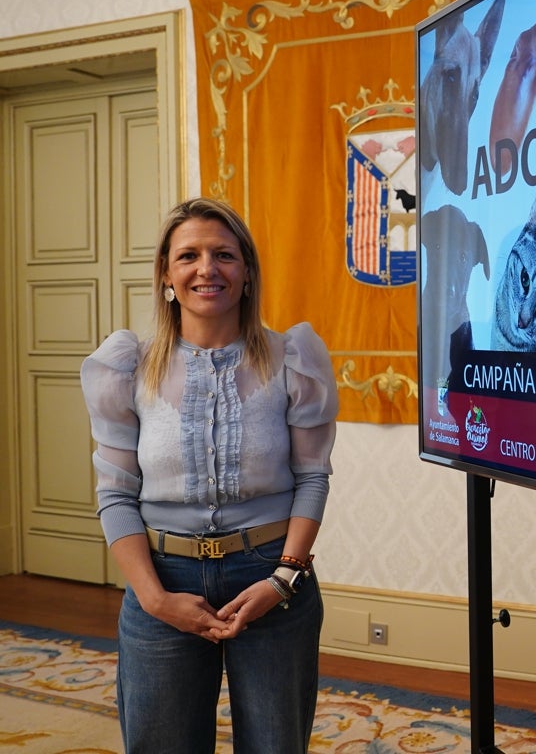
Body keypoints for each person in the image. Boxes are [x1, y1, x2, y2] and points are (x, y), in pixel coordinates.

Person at [81, 197, 339, 753]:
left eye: (224, 254)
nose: (207, 269)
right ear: (168, 276)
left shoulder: (293, 358)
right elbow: (116, 494)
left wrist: (282, 579)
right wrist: (153, 598)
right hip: (162, 580)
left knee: (276, 745)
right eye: (189, 256)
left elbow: (312, 479)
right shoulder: (127, 367)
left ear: (246, 272)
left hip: (273, 581)